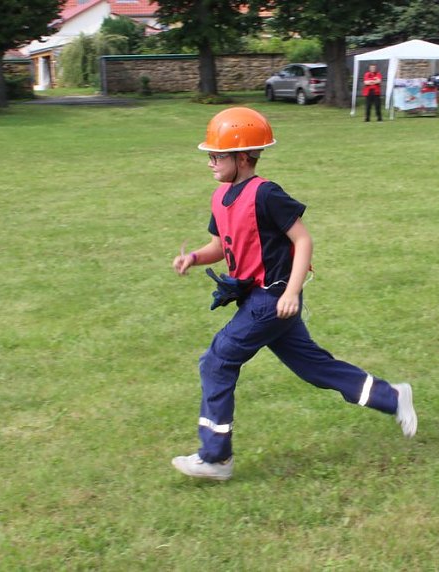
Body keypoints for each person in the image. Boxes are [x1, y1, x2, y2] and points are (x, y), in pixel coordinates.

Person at [171, 107, 417, 481]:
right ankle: (393, 397)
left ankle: (216, 458)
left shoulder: (267, 194)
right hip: (257, 298)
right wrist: (193, 257)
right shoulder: (220, 197)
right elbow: (221, 245)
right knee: (314, 367)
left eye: (216, 155)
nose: (210, 162)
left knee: (217, 361)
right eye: (209, 155)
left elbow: (303, 240)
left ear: (242, 157)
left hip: (271, 299)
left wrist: (291, 290)